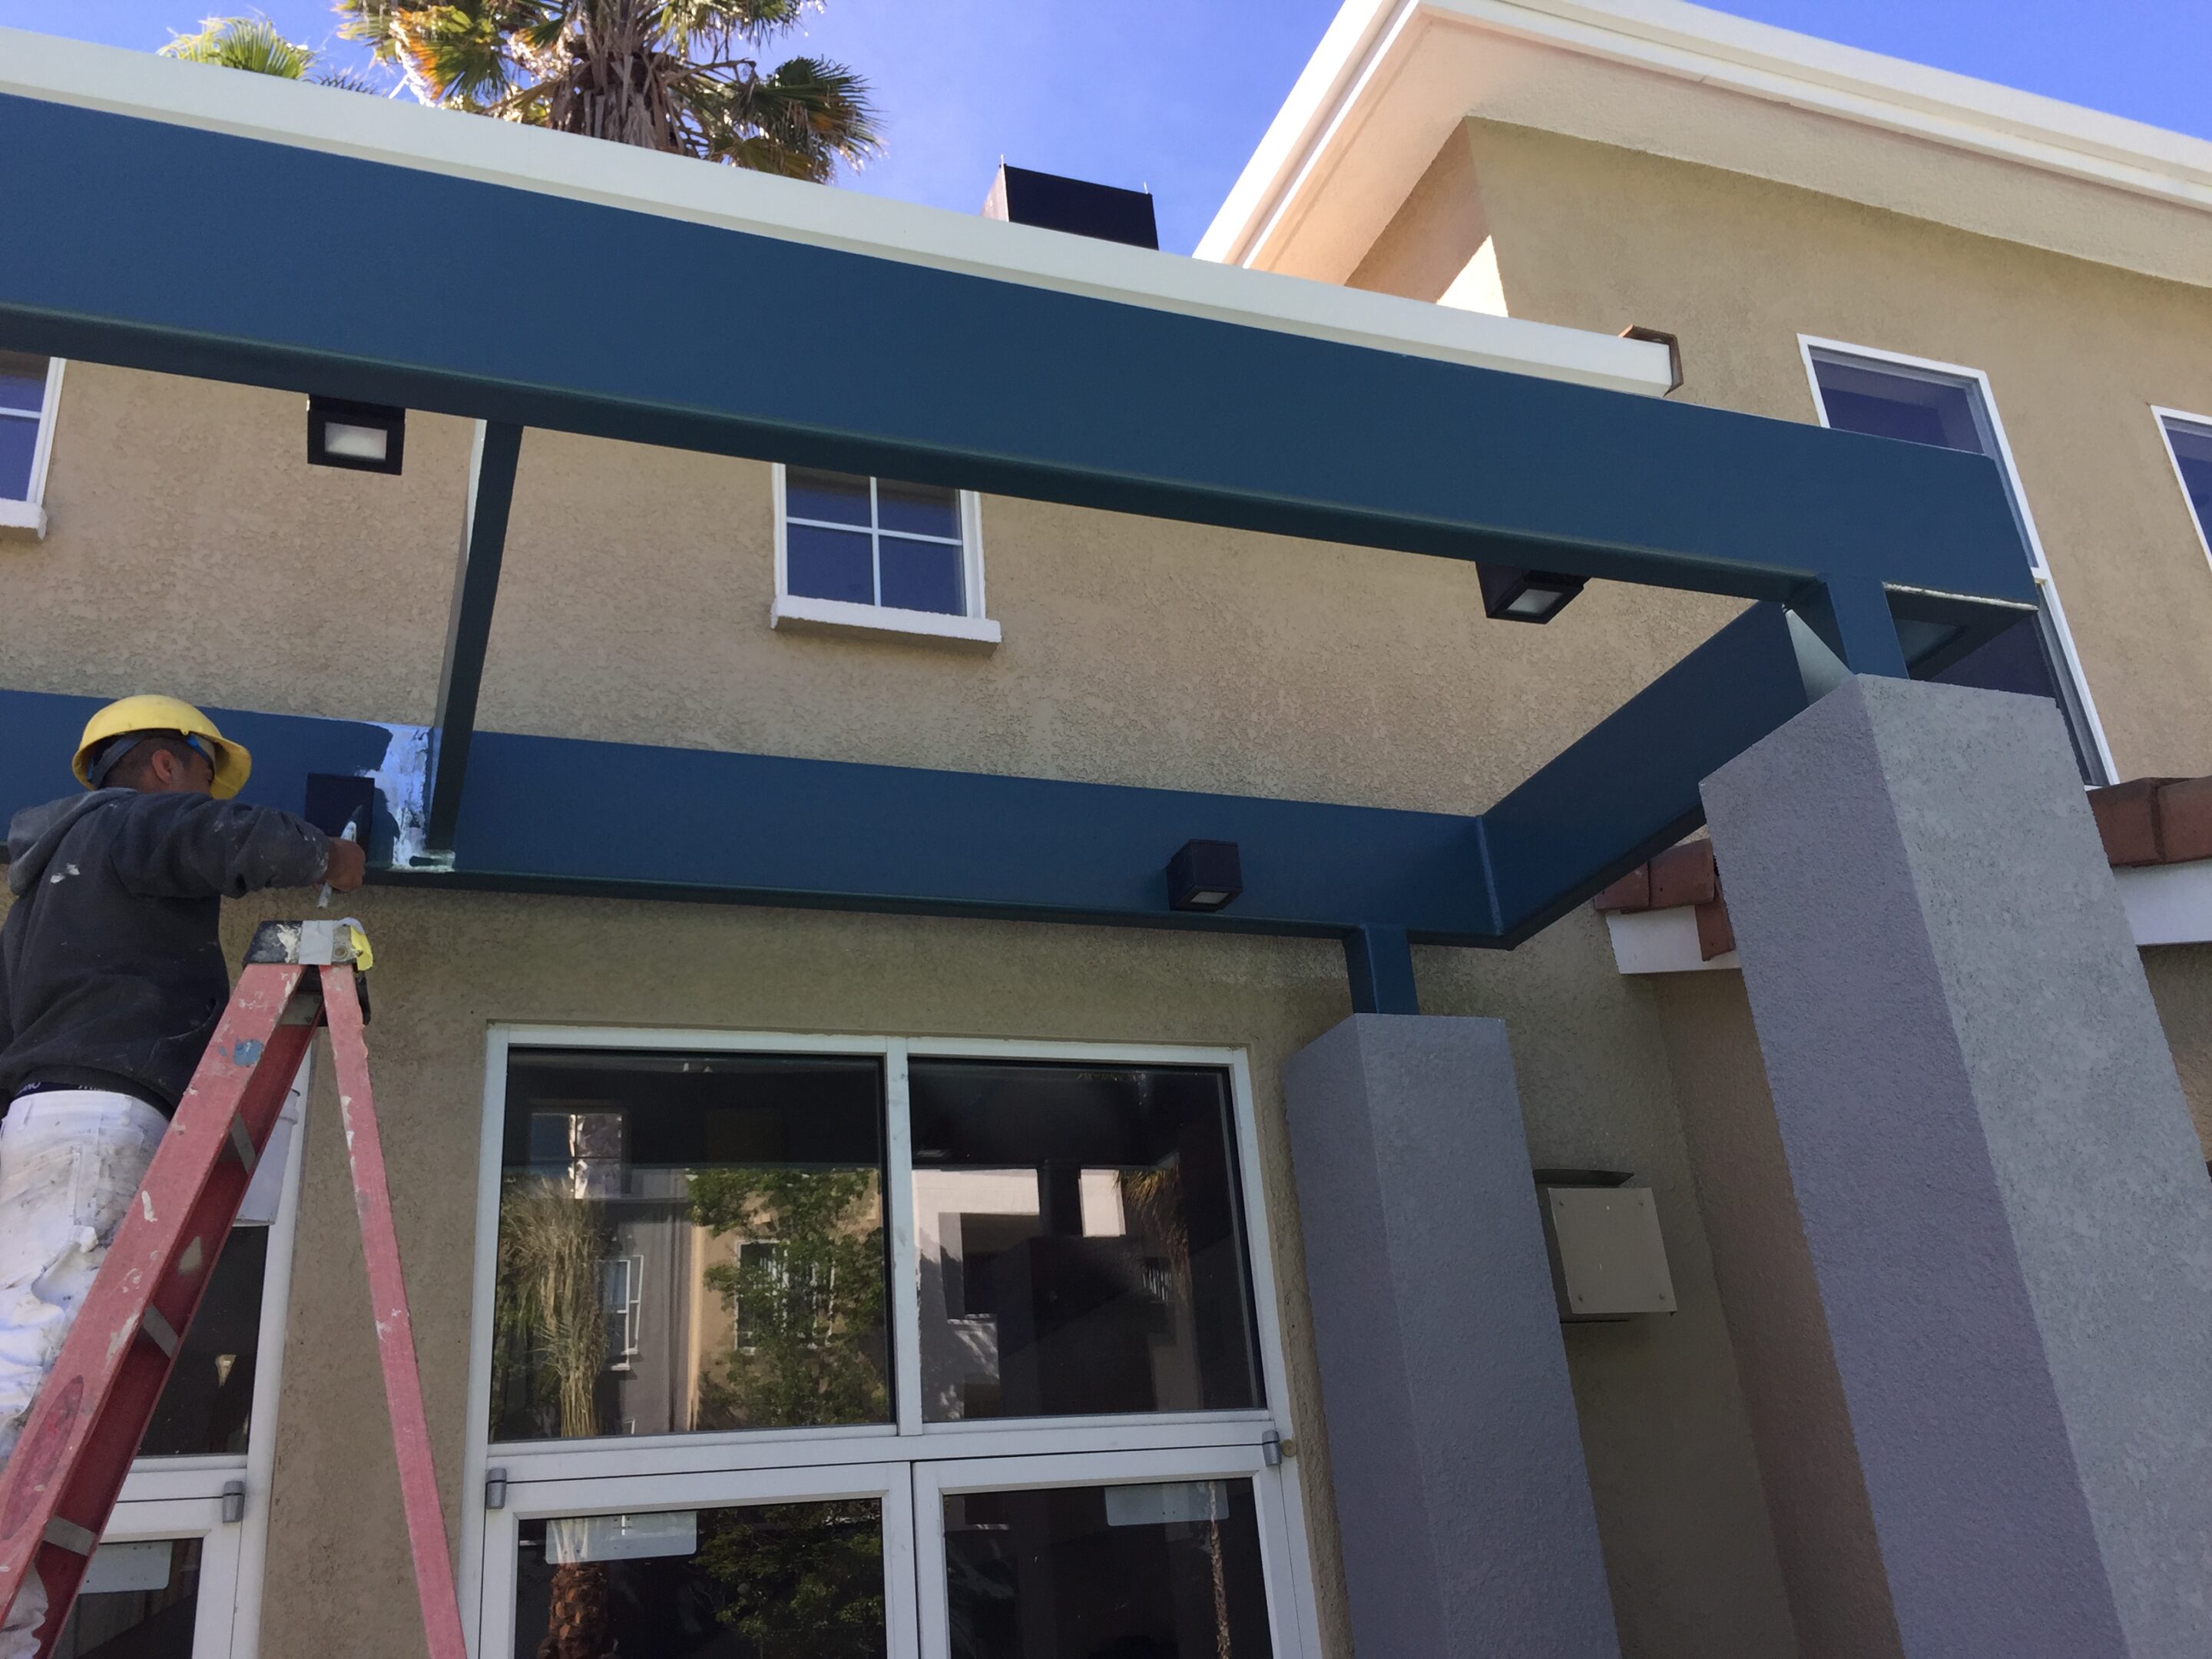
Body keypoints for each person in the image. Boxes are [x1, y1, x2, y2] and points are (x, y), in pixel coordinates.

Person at [0, 696, 363, 1653]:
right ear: (165, 765)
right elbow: (233, 839)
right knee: (36, 1361)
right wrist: (331, 857)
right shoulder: (129, 821)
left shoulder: (40, 895)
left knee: (39, 1354)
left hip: (39, 1123)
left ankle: (16, 1617)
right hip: (99, 1119)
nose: (207, 795)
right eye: (203, 774)